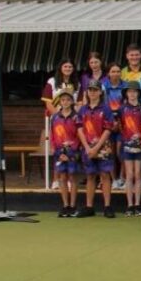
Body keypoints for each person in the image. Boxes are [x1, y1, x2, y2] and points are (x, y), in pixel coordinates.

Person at [77, 82, 116, 218]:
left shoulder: (106, 109)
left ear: (100, 92)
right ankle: (89, 206)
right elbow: (79, 129)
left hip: (103, 147)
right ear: (87, 92)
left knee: (105, 175)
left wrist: (97, 147)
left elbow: (108, 129)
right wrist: (88, 147)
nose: (92, 93)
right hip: (87, 147)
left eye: (95, 90)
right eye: (90, 90)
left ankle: (107, 206)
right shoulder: (83, 109)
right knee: (90, 176)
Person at [50, 89, 81, 217]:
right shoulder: (55, 117)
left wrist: (72, 150)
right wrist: (54, 149)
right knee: (62, 178)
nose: (65, 102)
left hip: (72, 152)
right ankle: (65, 205)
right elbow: (52, 135)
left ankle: (73, 206)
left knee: (72, 178)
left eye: (68, 99)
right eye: (63, 100)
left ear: (72, 101)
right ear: (60, 102)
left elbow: (79, 135)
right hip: (59, 152)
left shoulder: (76, 117)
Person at [119, 81, 141, 215]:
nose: (132, 94)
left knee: (138, 175)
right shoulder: (122, 108)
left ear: (138, 93)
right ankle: (129, 205)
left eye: (135, 91)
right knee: (129, 175)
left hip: (140, 146)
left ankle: (138, 204)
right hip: (127, 145)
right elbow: (120, 127)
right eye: (130, 91)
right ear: (126, 94)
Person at [102, 62, 127, 190]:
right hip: (108, 123)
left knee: (120, 152)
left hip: (122, 123)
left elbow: (126, 106)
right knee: (109, 152)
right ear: (108, 73)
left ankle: (123, 178)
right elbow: (104, 106)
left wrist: (118, 121)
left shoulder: (125, 86)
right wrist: (112, 122)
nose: (116, 73)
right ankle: (114, 180)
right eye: (113, 71)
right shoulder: (103, 86)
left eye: (118, 71)